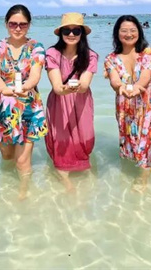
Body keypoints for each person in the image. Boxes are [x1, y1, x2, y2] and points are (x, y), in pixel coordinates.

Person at [0, 4, 48, 198]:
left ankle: (23, 194)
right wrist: (3, 87)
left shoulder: (36, 47)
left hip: (28, 106)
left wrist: (25, 88)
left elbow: (35, 75)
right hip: (3, 106)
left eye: (23, 24)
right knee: (7, 155)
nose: (18, 28)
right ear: (6, 24)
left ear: (29, 25)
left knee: (22, 160)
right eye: (13, 24)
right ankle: (7, 187)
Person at [104, 15, 151, 189]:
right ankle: (141, 168)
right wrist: (120, 88)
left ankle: (143, 177)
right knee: (131, 139)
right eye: (124, 30)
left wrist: (138, 87)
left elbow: (146, 76)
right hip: (125, 105)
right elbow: (114, 80)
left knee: (148, 138)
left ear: (139, 32)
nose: (129, 34)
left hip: (149, 103)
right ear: (117, 33)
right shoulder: (111, 58)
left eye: (133, 30)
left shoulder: (149, 52)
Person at [44, 13, 98, 191]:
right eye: (67, 30)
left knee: (84, 136)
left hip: (81, 101)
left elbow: (84, 84)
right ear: (61, 33)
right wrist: (65, 89)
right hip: (59, 102)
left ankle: (83, 167)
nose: (71, 34)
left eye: (76, 30)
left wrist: (77, 87)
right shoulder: (52, 54)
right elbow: (57, 87)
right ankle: (64, 175)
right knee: (62, 139)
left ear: (82, 33)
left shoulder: (90, 56)